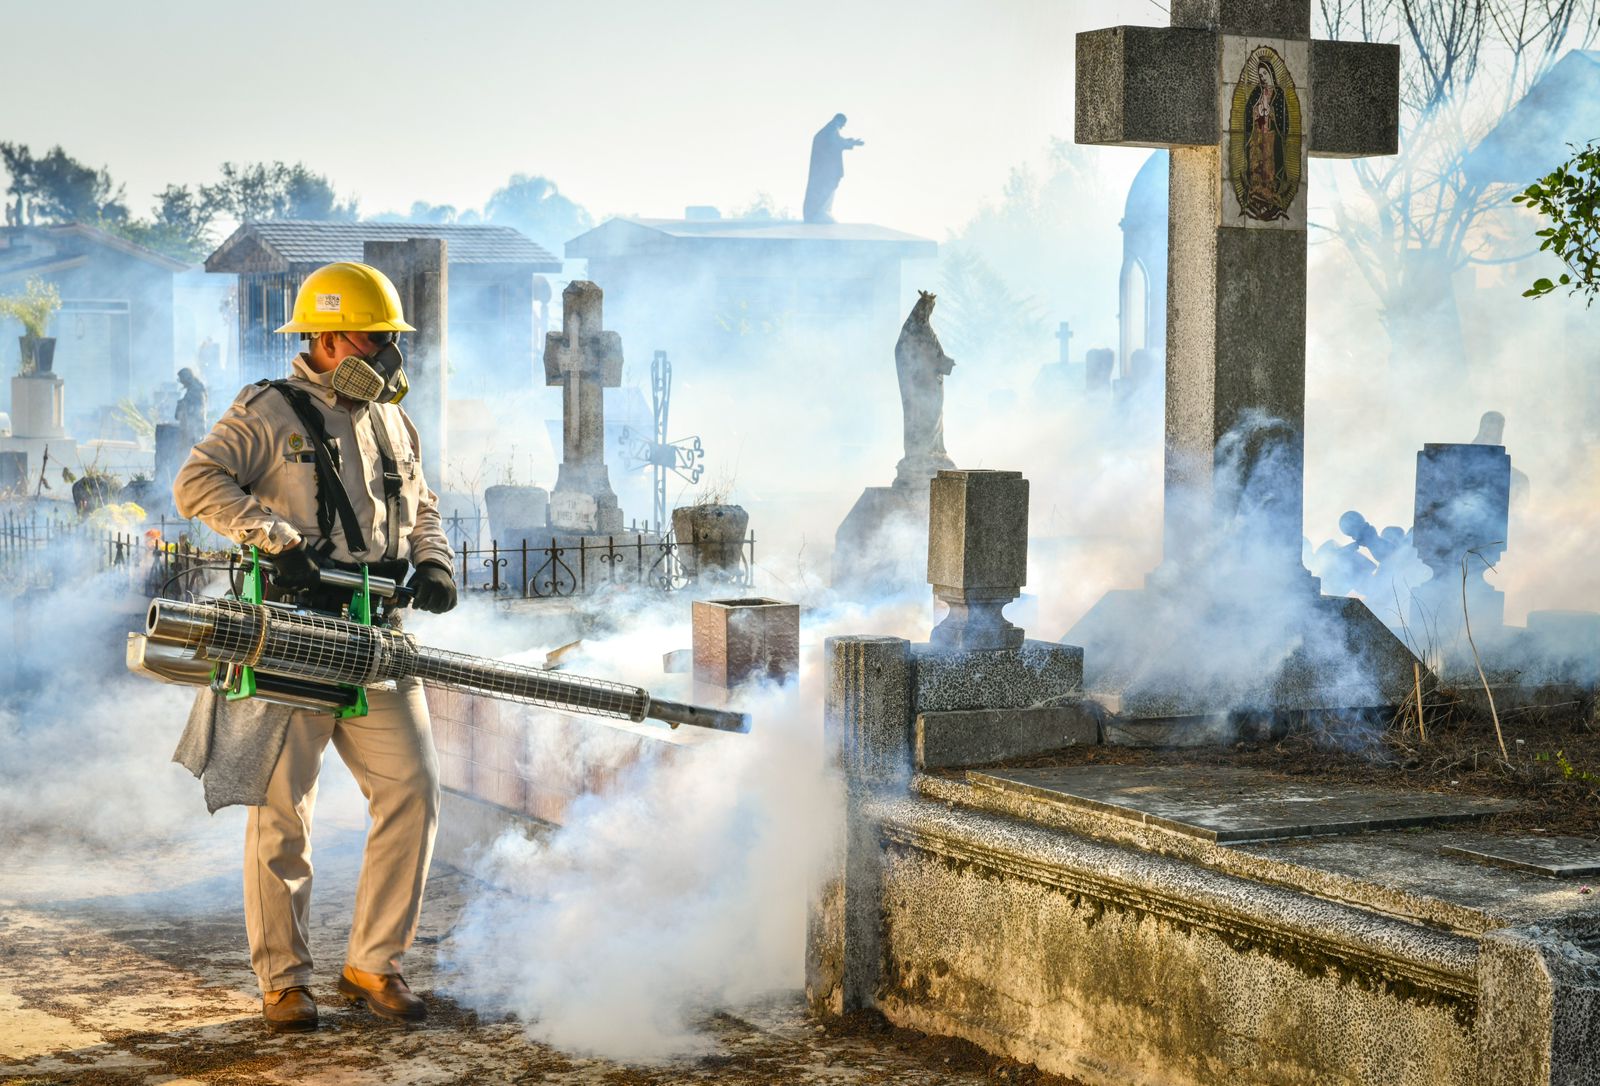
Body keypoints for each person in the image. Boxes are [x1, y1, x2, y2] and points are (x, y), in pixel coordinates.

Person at [173, 261, 459, 1033]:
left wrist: (433, 560)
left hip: (377, 634)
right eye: (376, 339)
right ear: (330, 338)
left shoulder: (394, 418)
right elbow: (197, 483)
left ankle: (374, 962)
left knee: (414, 790)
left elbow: (421, 503)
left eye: (391, 339)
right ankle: (285, 982)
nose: (390, 355)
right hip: (296, 630)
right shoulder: (268, 411)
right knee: (282, 814)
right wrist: (273, 538)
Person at [803, 113, 864, 224]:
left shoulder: (830, 129)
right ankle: (819, 212)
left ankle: (821, 211)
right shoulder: (831, 129)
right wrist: (849, 143)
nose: (843, 127)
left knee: (827, 189)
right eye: (843, 124)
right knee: (824, 188)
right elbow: (834, 143)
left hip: (825, 170)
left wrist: (850, 142)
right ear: (838, 121)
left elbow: (837, 140)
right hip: (825, 171)